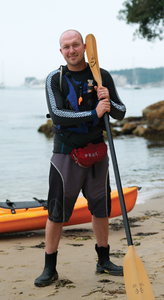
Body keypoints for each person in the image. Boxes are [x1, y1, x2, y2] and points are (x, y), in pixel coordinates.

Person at [34, 29, 126, 287]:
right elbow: (59, 115)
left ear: (85, 47)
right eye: (66, 47)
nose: (71, 50)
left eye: (76, 45)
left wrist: (107, 100)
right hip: (66, 155)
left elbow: (120, 112)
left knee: (101, 208)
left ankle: (104, 261)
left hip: (97, 153)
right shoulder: (55, 78)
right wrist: (96, 113)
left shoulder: (101, 75)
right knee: (56, 212)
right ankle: (49, 268)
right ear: (61, 51)